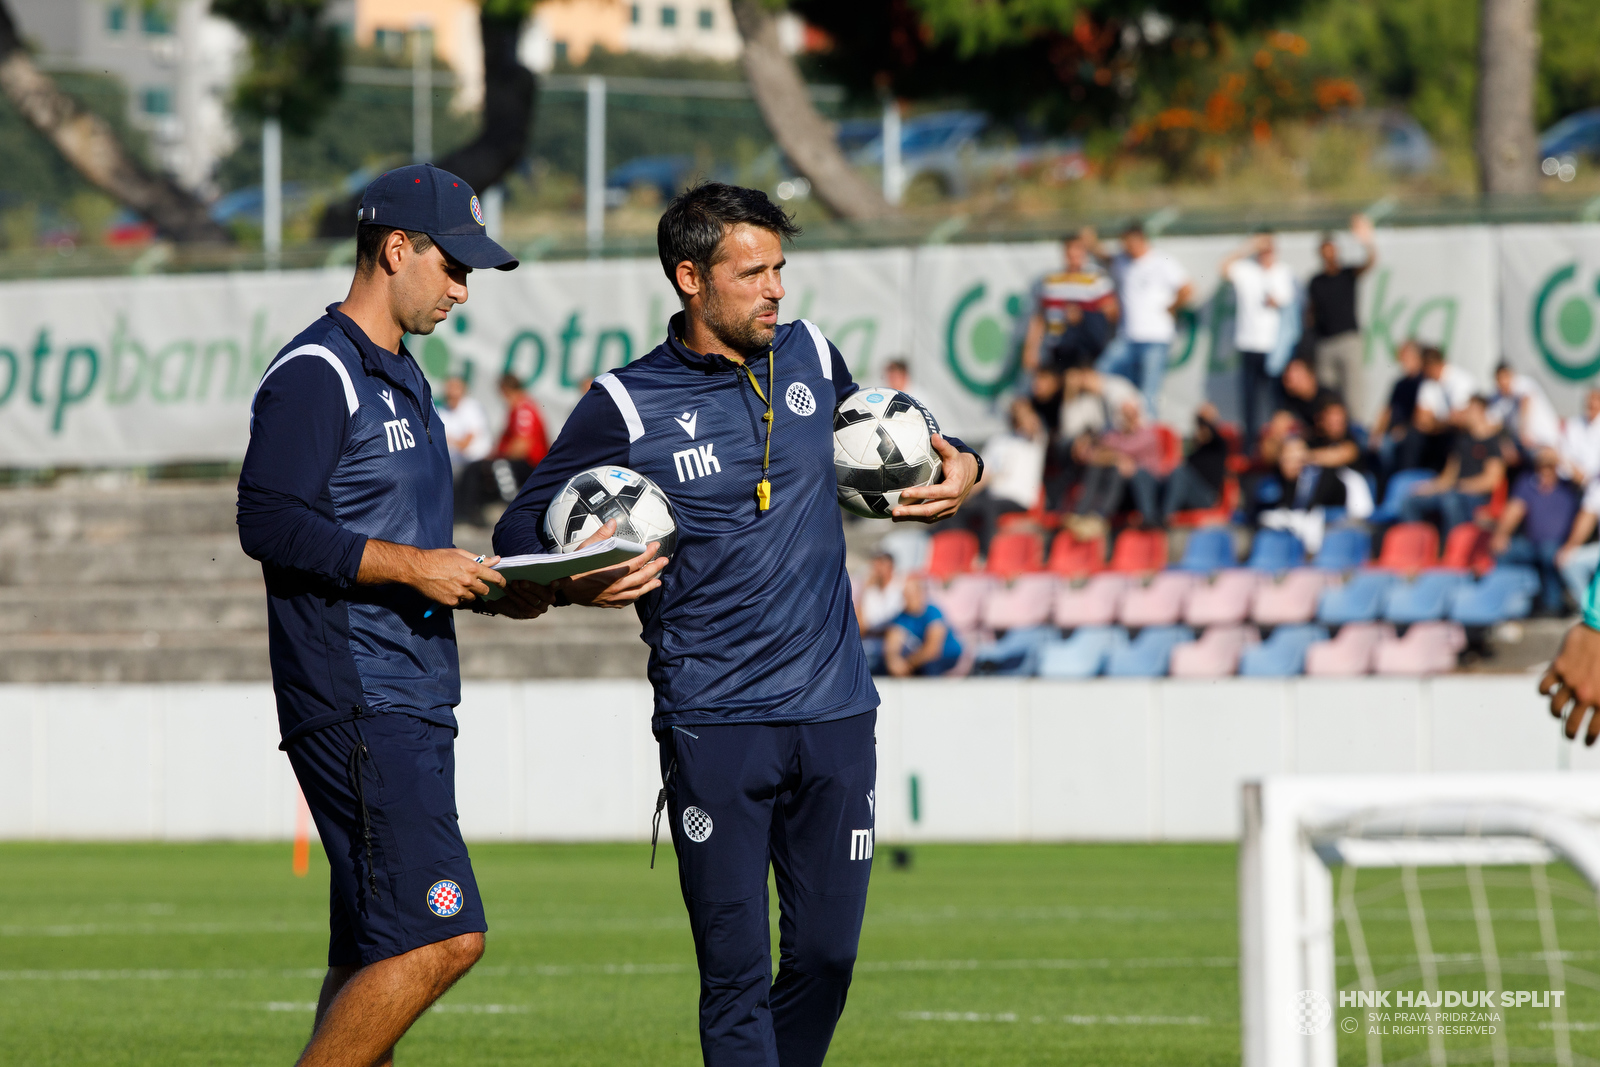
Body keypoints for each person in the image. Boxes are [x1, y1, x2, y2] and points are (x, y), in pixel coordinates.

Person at [491, 182, 981, 1067]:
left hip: (835, 712)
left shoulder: (812, 355)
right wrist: (580, 575)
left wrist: (966, 461)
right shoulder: (625, 402)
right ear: (690, 277)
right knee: (735, 975)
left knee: (828, 957)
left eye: (780, 269)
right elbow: (519, 528)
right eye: (752, 272)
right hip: (713, 722)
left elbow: (898, 433)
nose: (775, 290)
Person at [235, 163, 555, 1067]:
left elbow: (410, 557)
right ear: (395, 249)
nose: (463, 289)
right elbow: (266, 518)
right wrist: (418, 566)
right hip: (359, 698)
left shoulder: (408, 380)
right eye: (453, 267)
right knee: (440, 938)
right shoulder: (315, 372)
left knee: (373, 953)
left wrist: (501, 589)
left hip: (410, 696)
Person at [1100, 222, 1193, 406]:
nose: (1127, 247)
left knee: (1148, 393)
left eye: (1131, 243)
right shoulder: (1122, 262)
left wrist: (1171, 307)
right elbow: (1104, 257)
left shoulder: (1162, 261)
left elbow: (1187, 289)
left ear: (1142, 240)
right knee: (1102, 372)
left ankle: (1147, 432)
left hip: (1155, 338)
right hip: (1127, 336)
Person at [1221, 230, 1295, 444]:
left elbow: (1285, 301)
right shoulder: (1246, 271)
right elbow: (1223, 268)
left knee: (1276, 401)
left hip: (1274, 348)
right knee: (1249, 402)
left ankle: (1278, 444)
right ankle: (1251, 445)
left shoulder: (1283, 272)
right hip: (1249, 345)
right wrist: (1249, 247)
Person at [1304, 214, 1377, 421]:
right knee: (1327, 396)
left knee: (1353, 394)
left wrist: (1367, 241)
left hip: (1347, 340)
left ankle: (1356, 432)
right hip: (1325, 343)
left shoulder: (1347, 274)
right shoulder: (1315, 281)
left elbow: (1369, 262)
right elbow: (1311, 313)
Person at [1400, 395, 1508, 532]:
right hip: (1453, 491)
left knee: (1450, 501)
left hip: (1475, 497)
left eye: (1471, 410)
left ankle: (1451, 547)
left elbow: (1492, 480)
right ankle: (1417, 544)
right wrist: (1428, 487)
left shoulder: (1492, 443)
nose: (1467, 414)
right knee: (1410, 501)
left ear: (1481, 411)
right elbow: (1448, 476)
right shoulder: (1461, 441)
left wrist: (1462, 486)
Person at [454, 373, 550, 526]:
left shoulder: (523, 410)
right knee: (475, 469)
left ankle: (512, 509)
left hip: (531, 464)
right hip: (521, 462)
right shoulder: (517, 409)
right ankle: (468, 513)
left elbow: (523, 446)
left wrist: (498, 455)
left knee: (497, 466)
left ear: (505, 390)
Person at [1492, 449, 1579, 615]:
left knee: (1548, 553)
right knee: (1505, 552)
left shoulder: (1568, 485)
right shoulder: (1528, 483)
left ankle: (1552, 606)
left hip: (1560, 544)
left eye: (1550, 466)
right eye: (1541, 465)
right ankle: (1508, 604)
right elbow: (1514, 510)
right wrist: (1501, 535)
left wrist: (1562, 460)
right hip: (1531, 543)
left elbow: (1586, 478)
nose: (1545, 470)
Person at [1067, 398, 1168, 538]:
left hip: (1143, 491)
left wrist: (1111, 455)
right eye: (1124, 414)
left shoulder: (1148, 436)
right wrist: (1117, 457)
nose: (1127, 417)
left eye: (1130, 413)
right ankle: (1081, 513)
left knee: (1115, 470)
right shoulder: (1114, 435)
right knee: (1098, 467)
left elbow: (1124, 451)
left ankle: (1100, 516)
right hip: (1120, 490)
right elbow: (1095, 455)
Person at [1023, 229, 1119, 373]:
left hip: (1086, 351)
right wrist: (1031, 349)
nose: (1073, 254)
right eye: (1070, 249)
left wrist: (1086, 316)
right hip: (1056, 348)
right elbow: (1040, 318)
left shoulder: (1097, 280)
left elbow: (1112, 314)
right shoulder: (1051, 282)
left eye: (1078, 249)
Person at [958, 397, 1046, 551]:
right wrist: (963, 496)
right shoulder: (998, 441)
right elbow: (984, 475)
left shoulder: (1035, 439)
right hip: (994, 497)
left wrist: (1023, 411)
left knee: (989, 506)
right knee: (963, 508)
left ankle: (987, 555)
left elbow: (1033, 426)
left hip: (1019, 499)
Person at [1160, 402, 1229, 523]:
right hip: (1190, 494)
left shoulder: (1219, 445)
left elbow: (1213, 431)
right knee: (1172, 475)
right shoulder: (1194, 449)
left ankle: (1165, 516)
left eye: (1203, 424)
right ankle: (1157, 514)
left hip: (1207, 497)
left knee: (1180, 473)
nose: (1201, 429)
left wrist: (1204, 416)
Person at [884, 576, 963, 677]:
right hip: (920, 659)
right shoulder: (902, 617)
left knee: (928, 668)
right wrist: (893, 660)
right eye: (905, 595)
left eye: (910, 595)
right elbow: (892, 645)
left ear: (919, 594)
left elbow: (932, 649)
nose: (907, 599)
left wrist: (907, 664)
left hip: (947, 656)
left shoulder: (933, 612)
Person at [1371, 339, 1426, 476]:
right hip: (1392, 432)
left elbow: (1421, 416)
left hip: (1409, 434)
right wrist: (1376, 433)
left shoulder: (1424, 383)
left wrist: (1403, 430)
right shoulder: (1399, 384)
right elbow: (1387, 411)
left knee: (1387, 449)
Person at [436, 374, 490, 474]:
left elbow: (466, 443)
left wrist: (449, 440)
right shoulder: (441, 412)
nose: (451, 392)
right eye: (449, 387)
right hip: (453, 466)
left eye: (455, 388)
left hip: (476, 464)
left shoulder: (472, 408)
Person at [1275, 357, 1342, 434]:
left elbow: (1339, 435)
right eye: (1287, 373)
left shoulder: (1329, 399)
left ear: (1310, 376)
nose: (1289, 377)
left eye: (1297, 375)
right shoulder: (1289, 399)